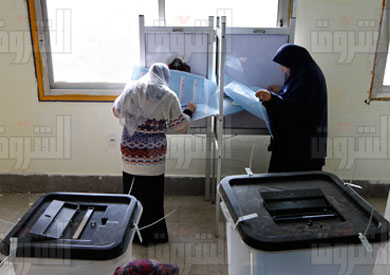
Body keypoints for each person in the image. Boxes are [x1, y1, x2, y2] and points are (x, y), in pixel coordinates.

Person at [112, 63, 196, 245]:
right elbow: (180, 127)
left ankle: (131, 236)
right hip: (152, 155)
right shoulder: (168, 96)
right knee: (152, 196)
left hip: (130, 150)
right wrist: (189, 111)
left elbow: (116, 111)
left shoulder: (132, 88)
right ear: (166, 78)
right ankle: (154, 236)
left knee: (132, 193)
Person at [256, 43, 327, 173]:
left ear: (293, 61)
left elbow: (295, 110)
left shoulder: (309, 78)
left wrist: (271, 98)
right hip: (300, 145)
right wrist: (282, 91)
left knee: (292, 186)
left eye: (283, 64)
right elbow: (297, 98)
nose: (282, 69)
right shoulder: (304, 74)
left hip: (302, 149)